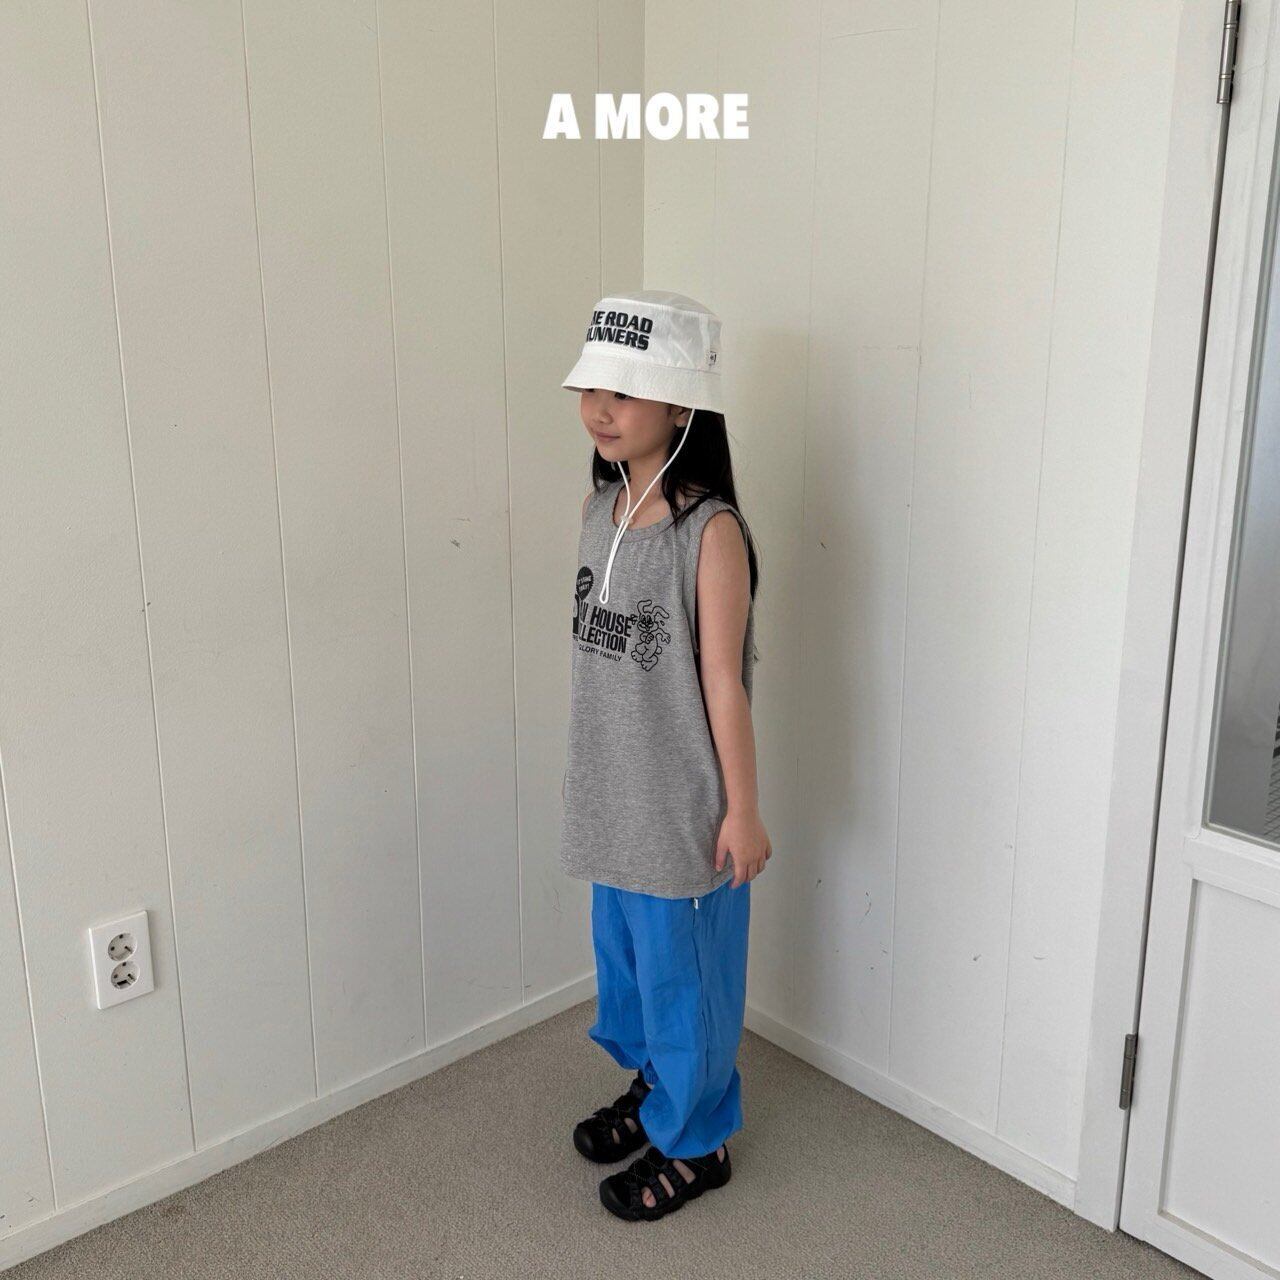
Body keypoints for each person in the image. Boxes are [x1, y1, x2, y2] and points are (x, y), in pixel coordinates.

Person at [557, 290, 772, 1222]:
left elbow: (724, 681)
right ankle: (656, 1086)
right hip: (611, 797)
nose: (600, 410)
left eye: (625, 392)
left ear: (683, 406)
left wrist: (743, 810)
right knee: (630, 972)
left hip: (682, 806)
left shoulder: (708, 532)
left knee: (688, 986)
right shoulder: (599, 509)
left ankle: (698, 1139)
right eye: (592, 389)